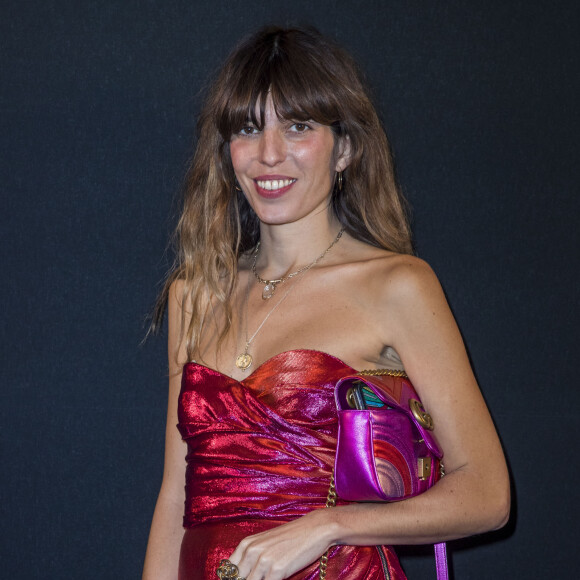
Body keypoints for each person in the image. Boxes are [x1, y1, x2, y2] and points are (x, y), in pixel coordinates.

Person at [142, 26, 509, 580]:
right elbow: (176, 498)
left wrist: (330, 525)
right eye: (247, 128)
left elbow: (486, 492)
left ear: (345, 149)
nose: (269, 155)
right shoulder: (193, 295)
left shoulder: (397, 285)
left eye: (298, 126)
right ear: (227, 151)